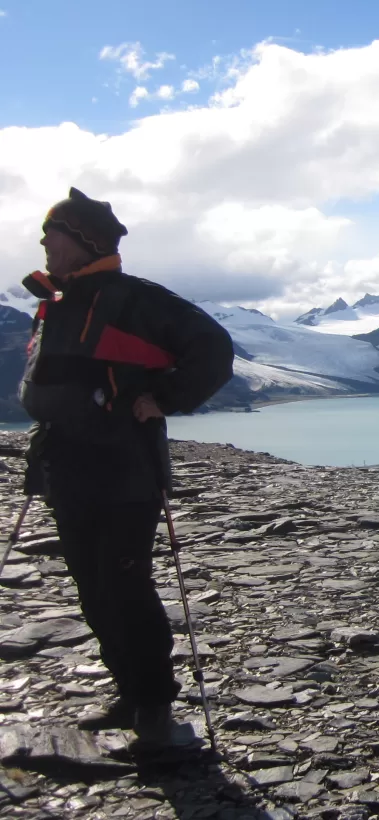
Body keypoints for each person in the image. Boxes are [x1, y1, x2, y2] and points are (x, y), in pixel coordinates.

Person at [18, 188, 235, 747]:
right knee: (90, 586)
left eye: (54, 233)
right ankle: (130, 691)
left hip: (124, 468)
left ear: (85, 241)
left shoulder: (134, 299)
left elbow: (212, 346)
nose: (45, 242)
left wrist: (165, 397)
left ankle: (156, 707)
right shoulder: (58, 303)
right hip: (67, 465)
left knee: (123, 584)